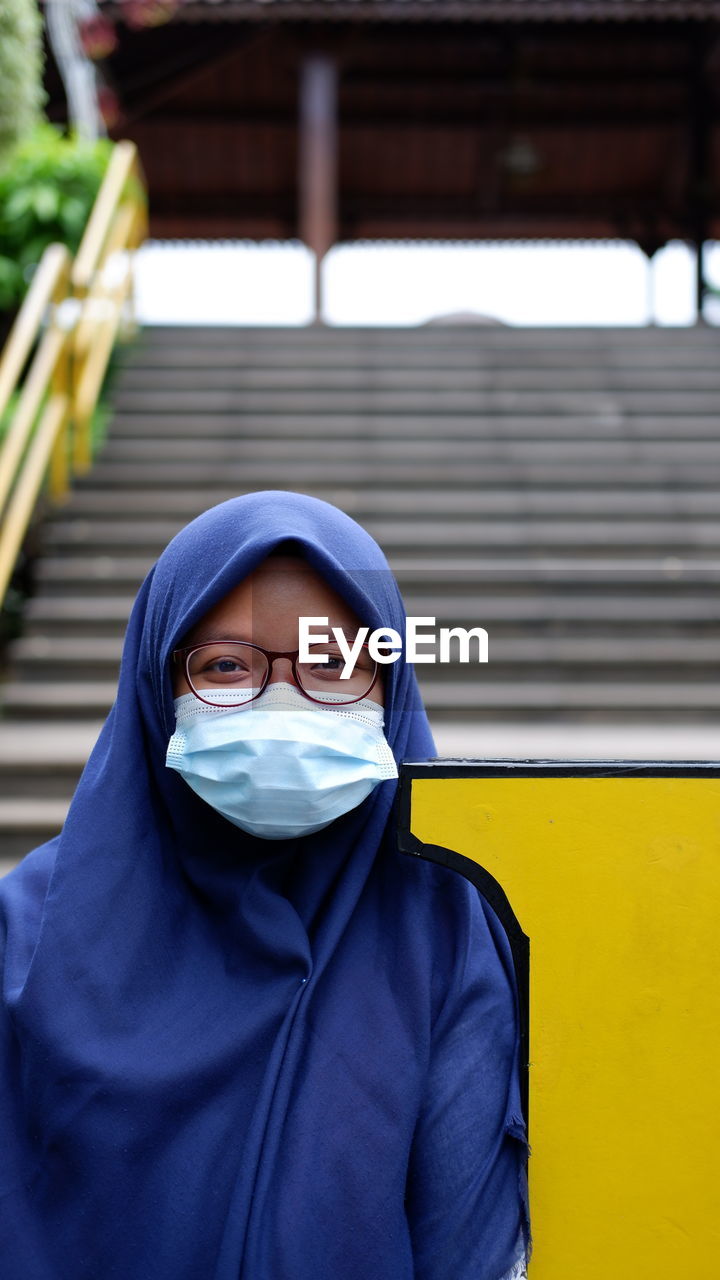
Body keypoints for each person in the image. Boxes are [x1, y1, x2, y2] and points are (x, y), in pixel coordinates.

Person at [0, 490, 529, 1279]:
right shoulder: (24, 935)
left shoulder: (448, 935)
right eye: (224, 666)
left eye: (335, 663)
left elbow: (468, 1250)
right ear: (155, 684)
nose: (282, 703)